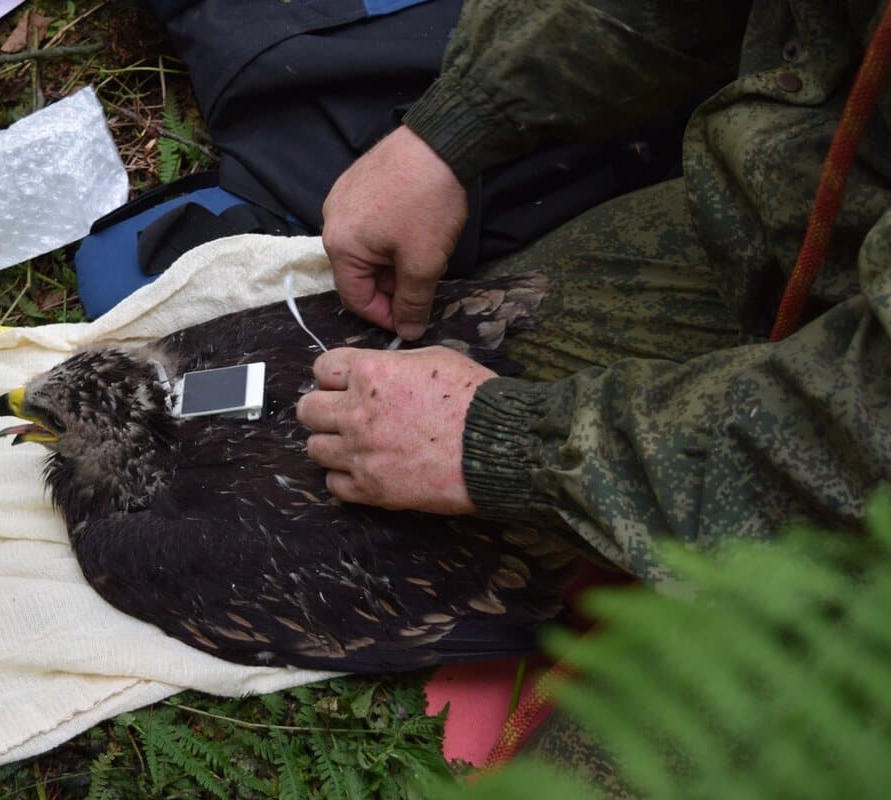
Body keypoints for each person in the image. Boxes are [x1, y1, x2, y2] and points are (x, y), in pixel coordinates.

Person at [296, 0, 891, 786]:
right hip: (793, 219)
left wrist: (513, 446)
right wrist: (454, 127)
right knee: (500, 334)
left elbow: (864, 430)